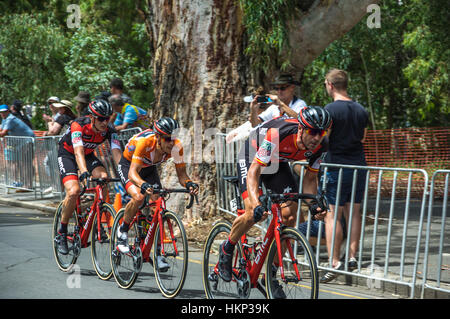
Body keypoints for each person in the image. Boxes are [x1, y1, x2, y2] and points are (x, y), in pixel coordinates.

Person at [218, 106, 332, 298]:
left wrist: (314, 205)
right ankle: (227, 248)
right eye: (313, 132)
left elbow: (311, 179)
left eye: (322, 133)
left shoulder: (321, 145)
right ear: (301, 129)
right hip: (252, 157)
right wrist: (256, 203)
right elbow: (254, 172)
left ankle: (270, 274)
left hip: (278, 162)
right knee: (253, 212)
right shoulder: (277, 134)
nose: (317, 137)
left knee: (289, 215)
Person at [115, 117, 199, 269]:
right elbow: (133, 173)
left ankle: (158, 253)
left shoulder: (176, 147)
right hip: (129, 166)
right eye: (167, 139)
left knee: (157, 207)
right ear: (158, 137)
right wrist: (142, 184)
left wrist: (189, 183)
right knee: (139, 197)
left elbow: (182, 175)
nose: (171, 143)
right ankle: (123, 231)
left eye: (174, 138)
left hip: (149, 168)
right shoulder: (145, 143)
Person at [318, 68, 369, 283]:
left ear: (330, 85)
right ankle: (353, 257)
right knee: (354, 212)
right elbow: (363, 138)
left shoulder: (330, 109)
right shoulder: (361, 109)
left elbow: (324, 138)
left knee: (333, 214)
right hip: (358, 164)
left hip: (336, 165)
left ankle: (334, 261)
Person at [55, 100, 122, 255]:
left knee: (103, 177)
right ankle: (62, 233)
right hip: (68, 155)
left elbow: (117, 154)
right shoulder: (78, 125)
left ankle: (98, 221)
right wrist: (84, 171)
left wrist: (125, 175)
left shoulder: (110, 130)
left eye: (107, 118)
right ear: (92, 117)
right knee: (73, 191)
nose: (105, 122)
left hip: (88, 154)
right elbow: (78, 151)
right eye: (101, 119)